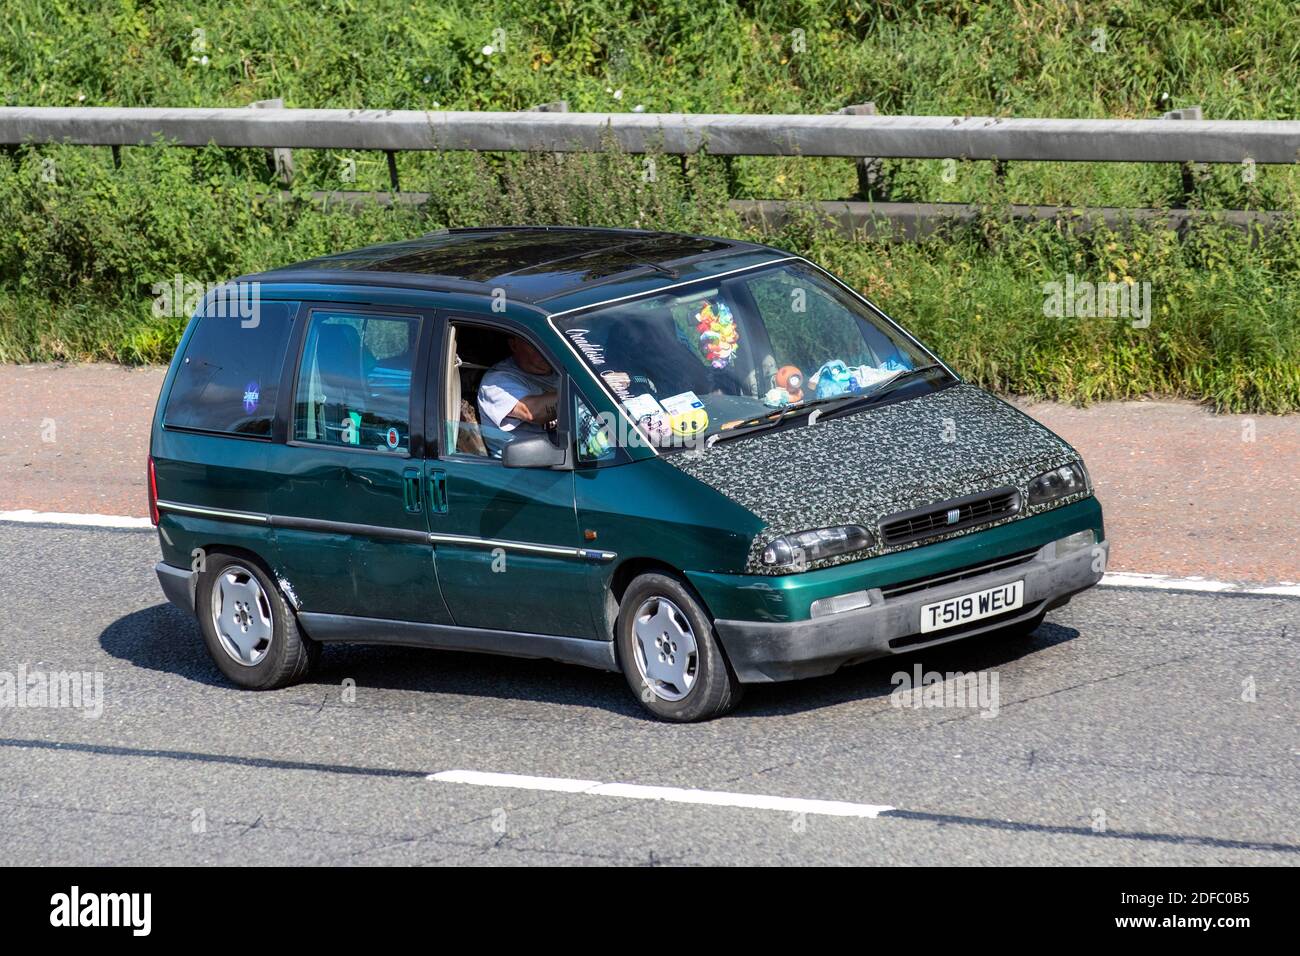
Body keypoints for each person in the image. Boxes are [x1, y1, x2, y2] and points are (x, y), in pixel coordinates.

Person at [477, 335, 560, 457]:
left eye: (549, 342)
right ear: (514, 345)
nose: (544, 348)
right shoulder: (495, 382)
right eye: (534, 343)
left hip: (563, 456)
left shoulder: (561, 371)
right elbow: (531, 411)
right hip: (521, 470)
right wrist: (577, 396)